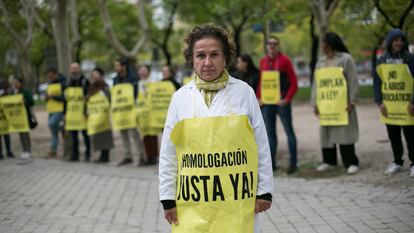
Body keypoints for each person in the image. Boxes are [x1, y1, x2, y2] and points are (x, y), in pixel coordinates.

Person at [159, 24, 273, 233]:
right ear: (191, 59)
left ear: (226, 57)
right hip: (194, 203)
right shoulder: (180, 98)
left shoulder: (244, 93)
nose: (208, 62)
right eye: (200, 56)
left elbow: (261, 145)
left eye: (215, 55)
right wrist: (167, 197)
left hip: (236, 200)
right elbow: (168, 152)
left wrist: (264, 191)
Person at [311, 32, 360, 175]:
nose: (321, 45)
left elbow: (353, 80)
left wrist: (353, 100)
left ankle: (351, 162)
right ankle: (329, 161)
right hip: (326, 105)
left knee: (344, 133)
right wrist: (315, 103)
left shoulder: (346, 59)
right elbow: (316, 84)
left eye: (322, 43)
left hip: (343, 105)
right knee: (326, 133)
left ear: (329, 44)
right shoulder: (320, 62)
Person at [373, 28, 414, 177]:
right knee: (394, 135)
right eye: (396, 40)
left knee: (411, 136)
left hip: (408, 106)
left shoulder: (410, 59)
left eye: (401, 40)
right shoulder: (381, 60)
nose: (399, 43)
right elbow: (377, 82)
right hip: (389, 107)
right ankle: (397, 162)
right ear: (390, 42)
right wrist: (379, 102)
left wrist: (413, 102)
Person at [257, 36, 298, 174]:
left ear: (278, 46)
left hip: (282, 103)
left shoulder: (285, 61)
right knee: (270, 134)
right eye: (269, 43)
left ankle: (293, 163)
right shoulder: (263, 62)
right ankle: (271, 164)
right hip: (267, 104)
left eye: (274, 43)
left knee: (289, 131)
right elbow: (261, 83)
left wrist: (287, 99)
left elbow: (294, 82)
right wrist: (259, 97)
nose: (272, 46)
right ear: (266, 46)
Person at [113, 58, 146, 166]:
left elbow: (137, 94)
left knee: (134, 134)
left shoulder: (133, 78)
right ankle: (128, 156)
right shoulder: (115, 79)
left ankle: (141, 156)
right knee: (123, 133)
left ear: (123, 66)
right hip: (120, 111)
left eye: (117, 65)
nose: (116, 68)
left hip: (131, 111)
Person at [87, 68, 114, 163]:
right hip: (94, 114)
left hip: (104, 114)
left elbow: (109, 99)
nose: (94, 76)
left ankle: (106, 155)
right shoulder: (91, 87)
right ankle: (101, 155)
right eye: (93, 74)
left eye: (96, 74)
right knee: (98, 136)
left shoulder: (105, 87)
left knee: (105, 135)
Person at [66, 62, 91, 161]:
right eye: (72, 68)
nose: (74, 70)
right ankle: (75, 155)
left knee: (85, 135)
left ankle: (88, 154)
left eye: (76, 68)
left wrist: (87, 110)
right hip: (72, 113)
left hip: (83, 112)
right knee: (73, 136)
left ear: (79, 69)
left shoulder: (85, 81)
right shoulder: (68, 82)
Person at [11, 77, 34, 159]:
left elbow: (31, 101)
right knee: (20, 133)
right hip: (17, 116)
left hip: (25, 115)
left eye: (16, 82)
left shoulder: (25, 91)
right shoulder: (13, 92)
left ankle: (28, 150)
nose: (15, 84)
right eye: (13, 82)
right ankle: (24, 150)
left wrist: (25, 101)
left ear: (20, 83)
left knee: (25, 133)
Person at [45, 68, 65, 158]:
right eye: (48, 77)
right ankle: (53, 150)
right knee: (53, 131)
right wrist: (47, 97)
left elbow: (65, 98)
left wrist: (54, 97)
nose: (50, 78)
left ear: (55, 74)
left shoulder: (63, 83)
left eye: (51, 76)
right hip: (51, 109)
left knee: (52, 124)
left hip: (59, 109)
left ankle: (62, 129)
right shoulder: (49, 84)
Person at [0, 79, 14, 159]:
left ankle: (8, 151)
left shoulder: (8, 93)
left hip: (5, 119)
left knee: (6, 136)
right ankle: (1, 153)